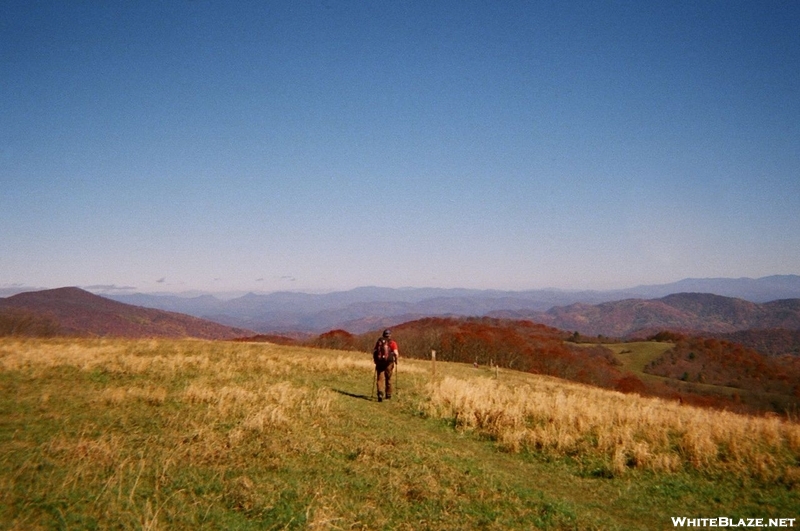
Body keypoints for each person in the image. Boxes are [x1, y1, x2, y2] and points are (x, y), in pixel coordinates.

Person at [372, 329, 399, 402]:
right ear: (389, 335)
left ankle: (380, 393)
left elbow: (375, 351)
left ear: (383, 335)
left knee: (380, 378)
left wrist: (375, 360)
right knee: (388, 378)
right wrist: (396, 360)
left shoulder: (379, 342)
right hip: (389, 363)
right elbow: (396, 353)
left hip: (380, 362)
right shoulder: (392, 343)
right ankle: (388, 394)